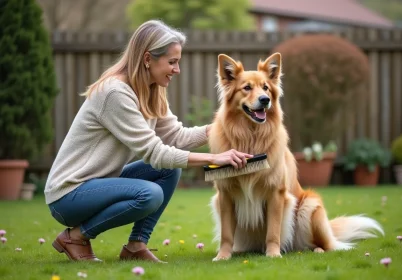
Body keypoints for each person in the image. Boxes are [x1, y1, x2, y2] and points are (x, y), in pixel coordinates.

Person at [44, 20, 252, 263]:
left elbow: (176, 136)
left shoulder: (152, 90)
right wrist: (214, 158)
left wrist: (223, 125)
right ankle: (76, 237)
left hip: (98, 184)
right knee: (149, 194)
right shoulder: (115, 93)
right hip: (69, 193)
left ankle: (136, 245)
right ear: (147, 59)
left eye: (178, 62)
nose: (177, 70)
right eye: (172, 62)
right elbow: (154, 152)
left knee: (168, 172)